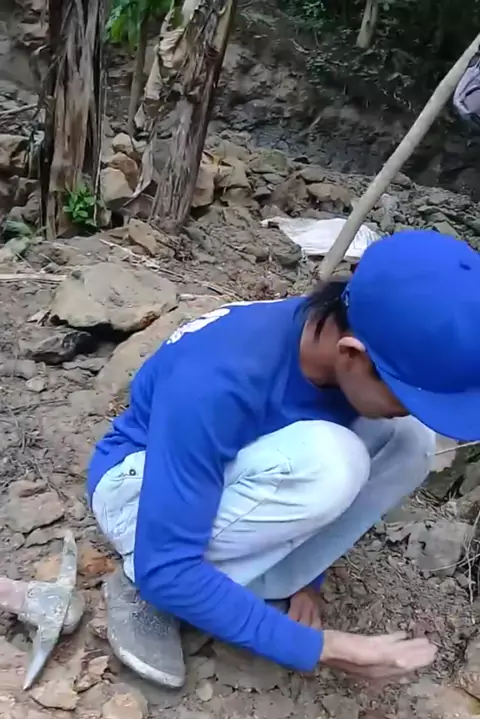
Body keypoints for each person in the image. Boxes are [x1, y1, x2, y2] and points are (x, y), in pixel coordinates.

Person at [87, 229, 480, 689]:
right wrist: (318, 647)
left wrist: (306, 576)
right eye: (407, 397)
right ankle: (140, 588)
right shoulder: (218, 380)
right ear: (351, 355)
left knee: (410, 441)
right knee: (333, 461)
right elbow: (167, 564)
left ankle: (256, 580)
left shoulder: (330, 332)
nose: (411, 409)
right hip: (138, 490)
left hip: (229, 468)